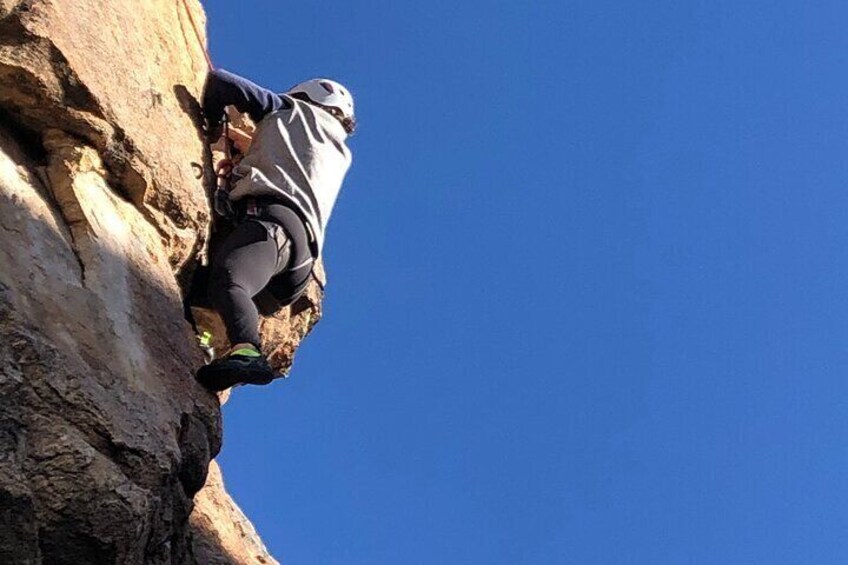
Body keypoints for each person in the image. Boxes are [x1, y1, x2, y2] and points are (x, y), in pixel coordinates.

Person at [196, 69, 356, 391]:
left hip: (271, 226)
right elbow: (289, 161)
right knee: (205, 289)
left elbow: (221, 84)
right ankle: (205, 339)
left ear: (305, 97)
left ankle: (246, 351)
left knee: (229, 280)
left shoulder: (291, 110)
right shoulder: (338, 151)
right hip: (295, 267)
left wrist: (211, 124)